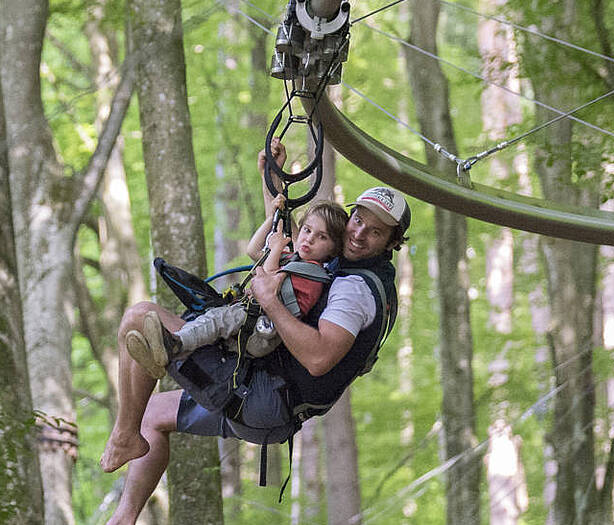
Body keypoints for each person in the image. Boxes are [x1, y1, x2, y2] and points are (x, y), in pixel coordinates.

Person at [97, 184, 410, 525]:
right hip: (272, 401)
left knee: (140, 318)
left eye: (375, 231)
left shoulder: (354, 290)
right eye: (358, 220)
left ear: (392, 243)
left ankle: (124, 436)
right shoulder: (347, 263)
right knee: (153, 413)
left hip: (262, 398)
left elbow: (319, 359)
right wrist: (271, 183)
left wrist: (270, 300)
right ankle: (122, 519)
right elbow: (290, 239)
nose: (360, 233)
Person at [125, 197, 348, 374]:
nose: (309, 239)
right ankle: (161, 359)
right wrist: (271, 219)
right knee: (211, 318)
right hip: (251, 318)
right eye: (307, 230)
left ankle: (175, 344)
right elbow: (253, 250)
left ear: (332, 249)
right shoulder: (294, 260)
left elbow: (265, 279)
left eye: (321, 237)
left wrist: (277, 248)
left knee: (217, 320)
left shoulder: (313, 275)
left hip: (262, 333)